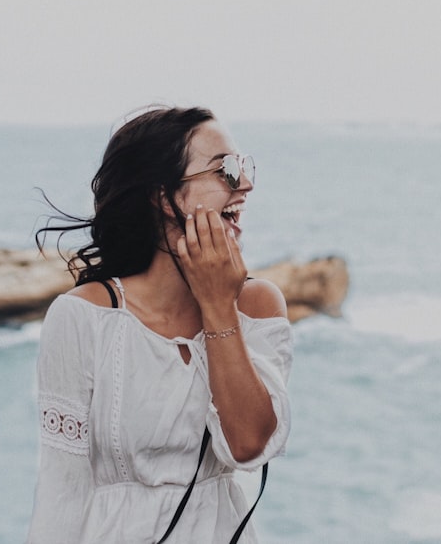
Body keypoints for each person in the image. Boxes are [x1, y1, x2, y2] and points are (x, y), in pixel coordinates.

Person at [26, 106, 293, 543]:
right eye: (224, 169)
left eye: (245, 167)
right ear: (162, 196)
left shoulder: (257, 305)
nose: (244, 184)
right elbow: (62, 492)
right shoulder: (84, 316)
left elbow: (248, 444)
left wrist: (218, 305)